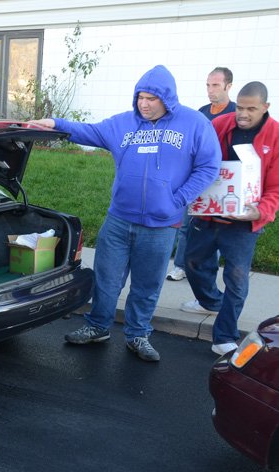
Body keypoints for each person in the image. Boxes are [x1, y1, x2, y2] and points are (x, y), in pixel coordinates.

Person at [28, 64, 221, 362]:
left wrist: (179, 198)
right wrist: (53, 123)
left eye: (151, 99)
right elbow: (87, 130)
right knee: (107, 279)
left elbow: (209, 165)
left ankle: (138, 334)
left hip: (161, 225)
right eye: (140, 97)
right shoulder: (123, 125)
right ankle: (97, 326)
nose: (144, 104)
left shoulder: (194, 123)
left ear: (167, 99)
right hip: (119, 220)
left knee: (147, 285)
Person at [181, 81, 278, 356]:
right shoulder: (220, 124)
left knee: (236, 280)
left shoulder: (276, 136)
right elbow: (198, 159)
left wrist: (260, 210)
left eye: (251, 109)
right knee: (192, 263)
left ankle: (224, 334)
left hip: (244, 223)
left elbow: (276, 187)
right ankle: (211, 301)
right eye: (241, 107)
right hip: (208, 214)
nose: (243, 114)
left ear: (265, 107)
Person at [168, 67, 237, 281]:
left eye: (215, 85)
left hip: (222, 179)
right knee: (187, 224)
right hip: (196, 177)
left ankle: (205, 272)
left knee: (213, 228)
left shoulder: (235, 113)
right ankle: (181, 266)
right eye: (208, 85)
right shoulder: (202, 112)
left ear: (228, 86)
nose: (210, 90)